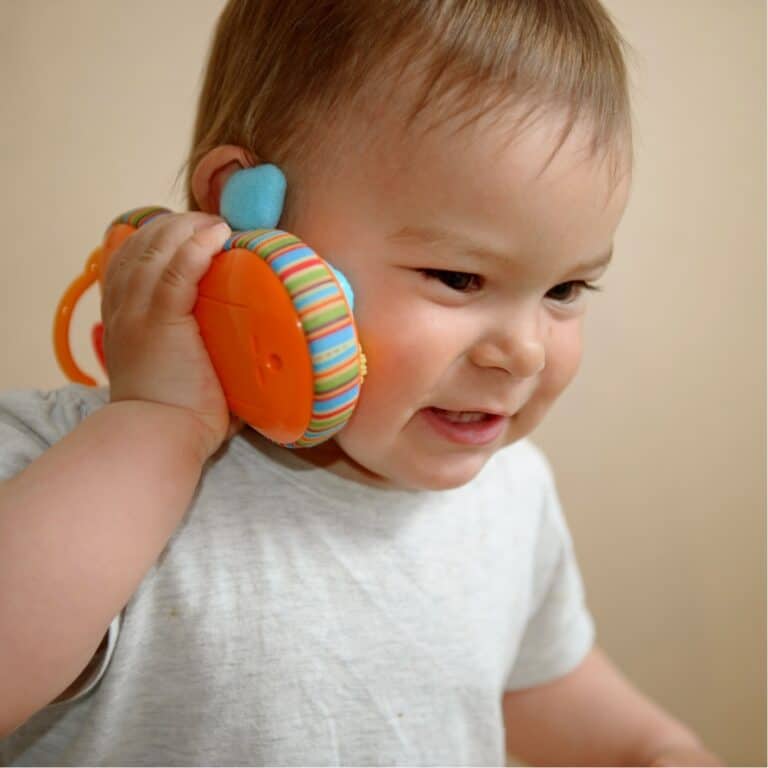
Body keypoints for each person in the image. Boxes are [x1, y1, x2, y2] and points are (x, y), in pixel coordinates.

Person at [0, 1, 722, 765]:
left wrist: (653, 749)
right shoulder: (65, 470)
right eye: (459, 276)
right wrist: (156, 423)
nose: (525, 352)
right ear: (245, 212)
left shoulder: (511, 491)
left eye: (566, 291)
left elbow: (530, 687)